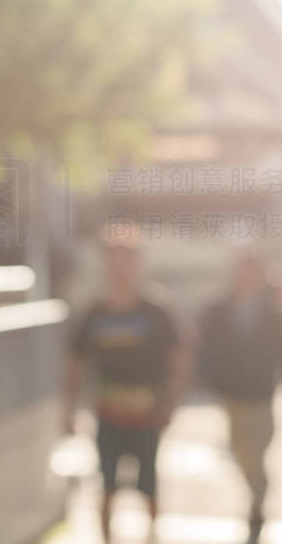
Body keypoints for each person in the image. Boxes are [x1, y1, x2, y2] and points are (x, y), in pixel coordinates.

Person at [64, 228, 186, 542]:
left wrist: (170, 402)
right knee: (106, 485)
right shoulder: (95, 313)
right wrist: (68, 409)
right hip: (108, 415)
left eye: (126, 261)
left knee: (148, 483)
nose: (120, 269)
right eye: (113, 261)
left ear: (137, 264)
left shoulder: (155, 311)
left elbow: (178, 359)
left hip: (147, 414)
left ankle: (152, 535)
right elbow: (76, 364)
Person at [197, 249, 282, 544]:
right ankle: (256, 494)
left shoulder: (271, 312)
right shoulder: (220, 309)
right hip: (234, 391)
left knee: (260, 445)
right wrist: (207, 376)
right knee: (241, 450)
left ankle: (258, 498)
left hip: (262, 391)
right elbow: (208, 346)